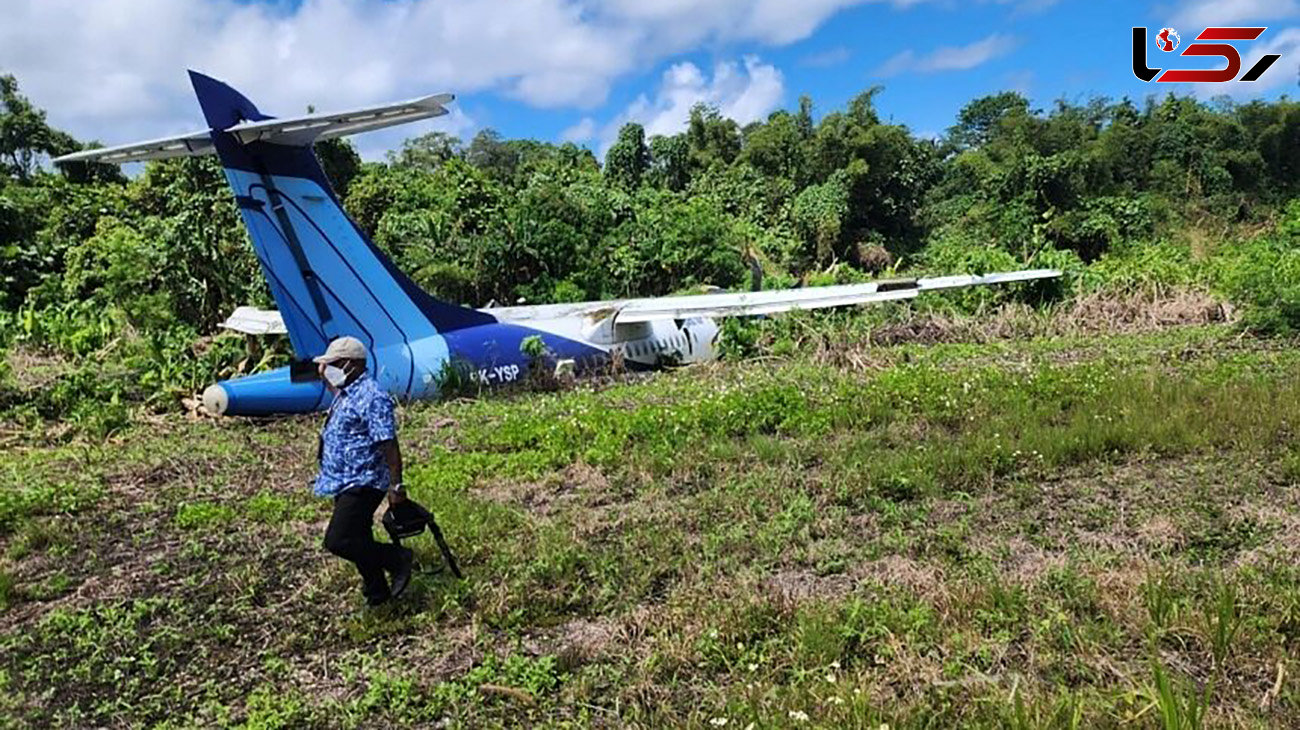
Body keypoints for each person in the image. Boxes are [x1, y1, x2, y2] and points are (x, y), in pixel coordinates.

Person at [313, 336, 414, 606]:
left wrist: (396, 486)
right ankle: (378, 595)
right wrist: (325, 374)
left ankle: (397, 559)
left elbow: (389, 445)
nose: (327, 369)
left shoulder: (372, 397)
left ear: (351, 364)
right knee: (359, 537)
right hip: (342, 479)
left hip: (364, 480)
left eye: (332, 364)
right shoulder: (346, 392)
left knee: (339, 540)